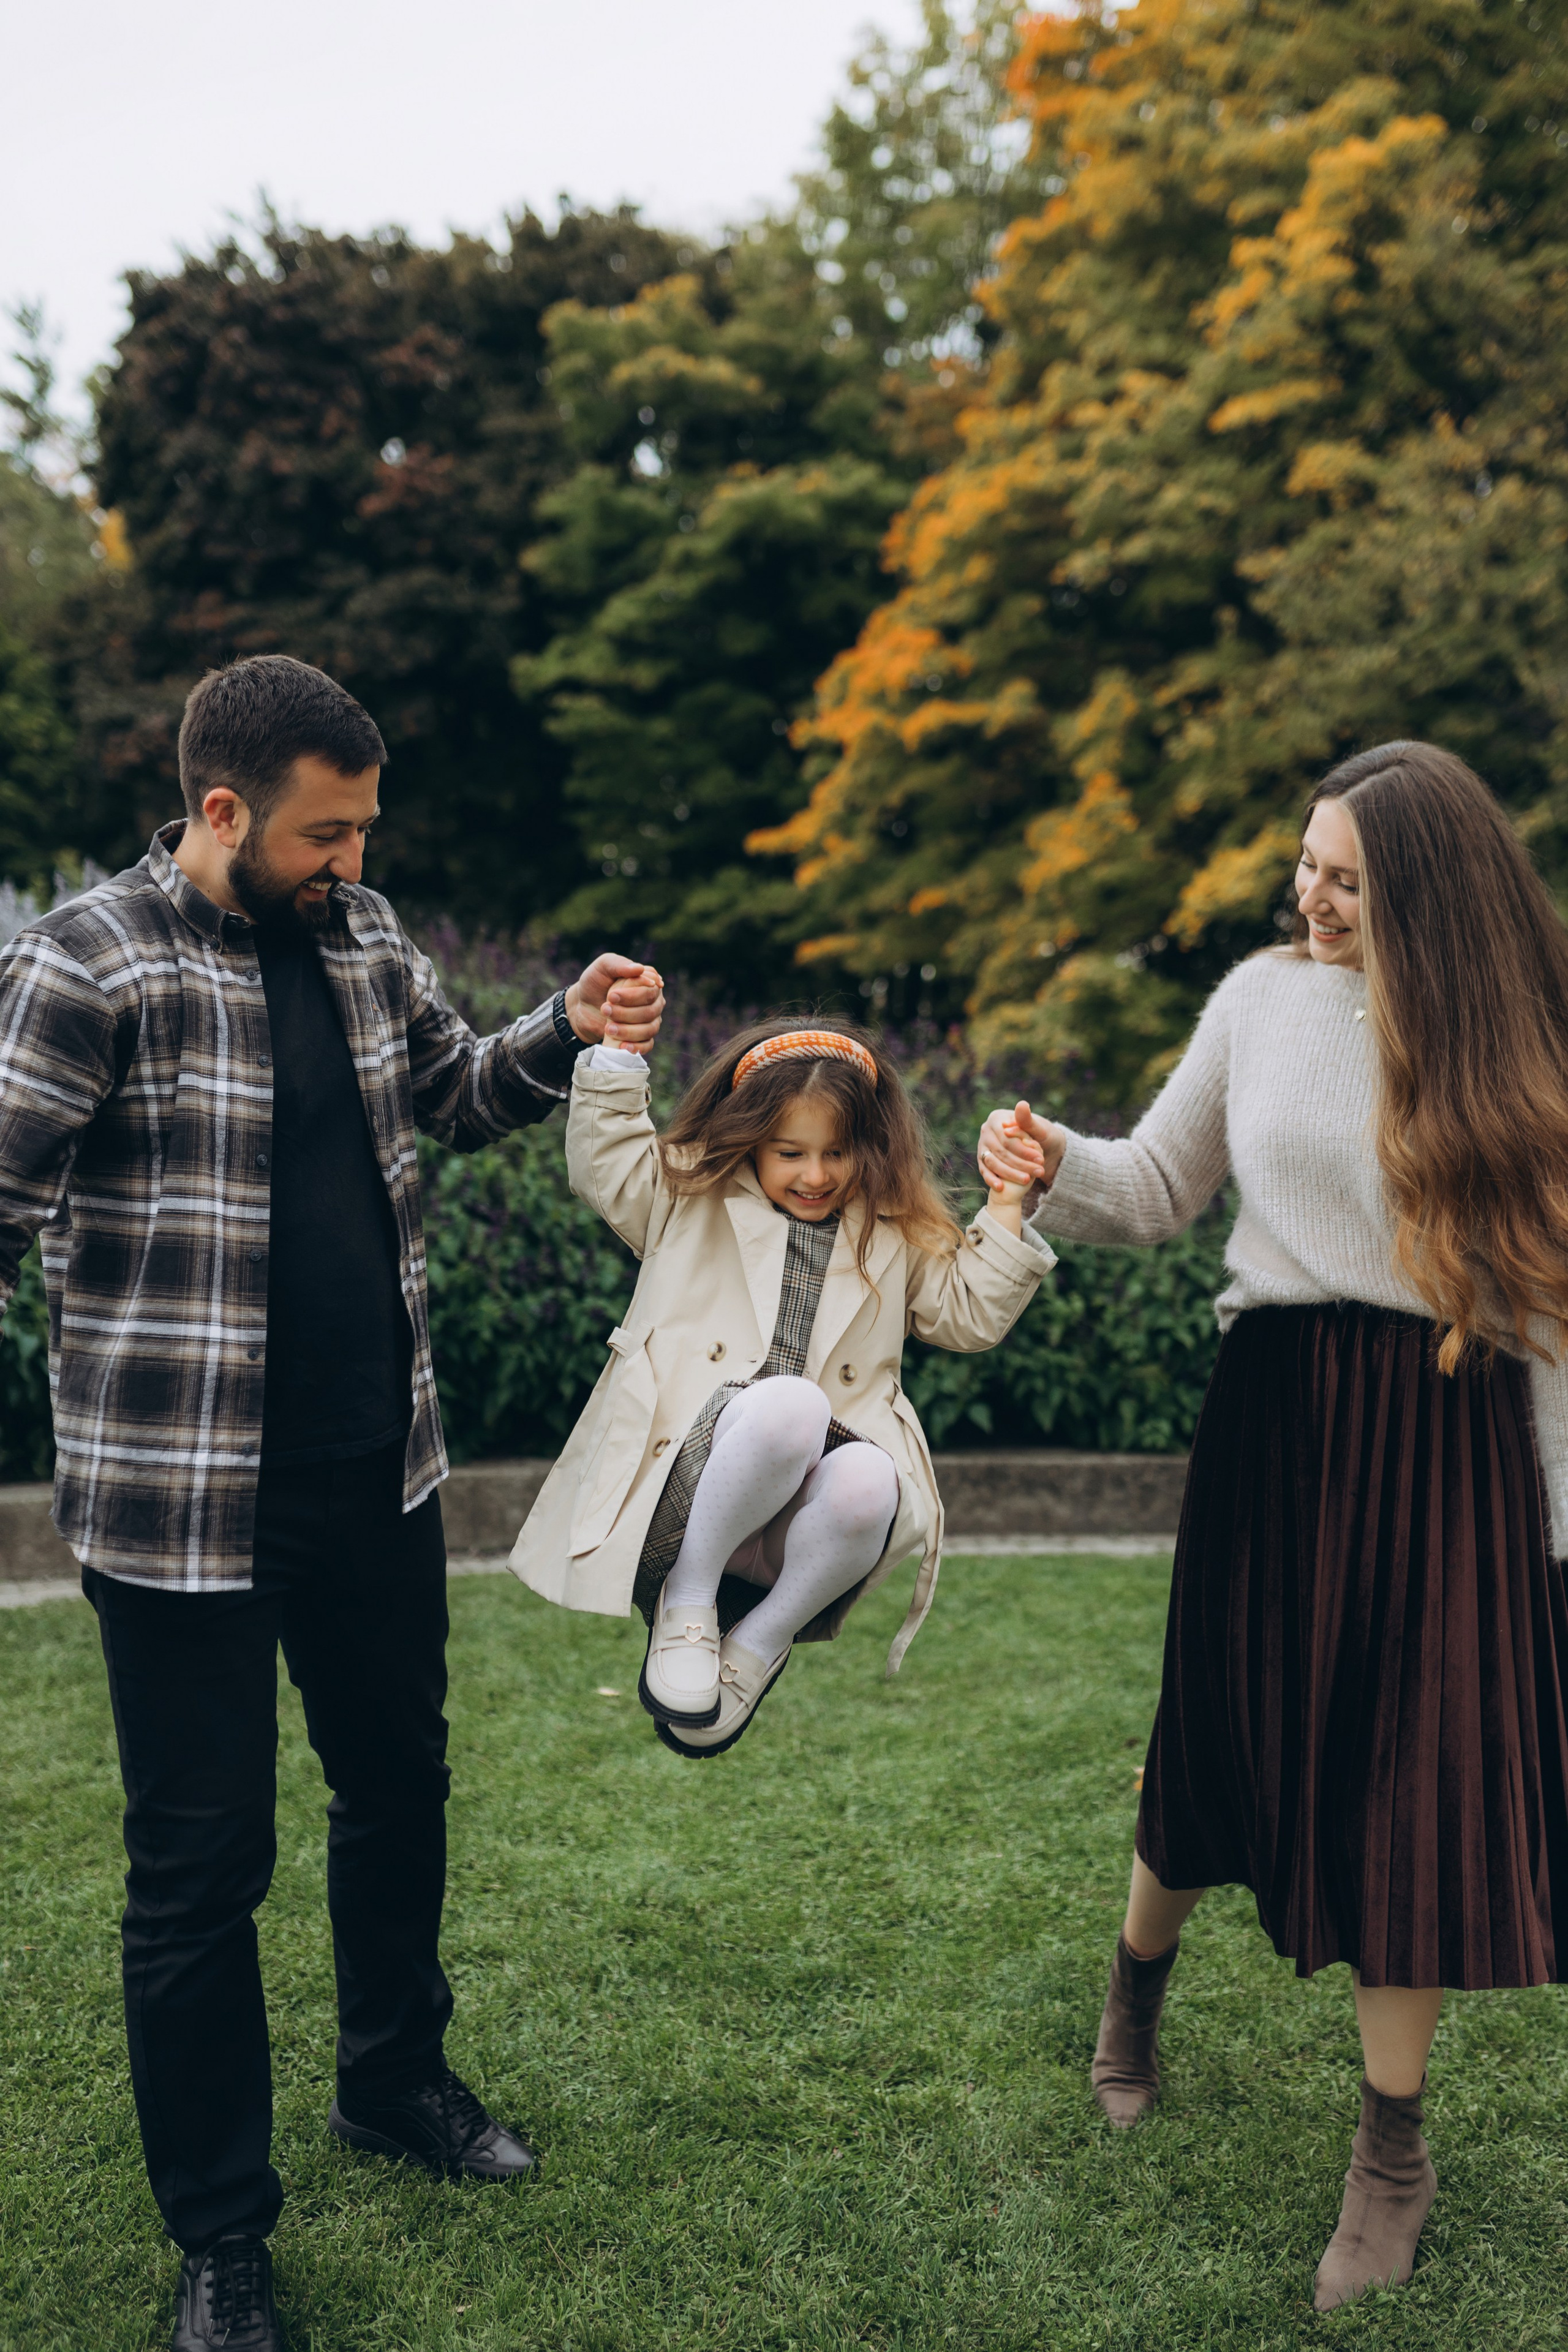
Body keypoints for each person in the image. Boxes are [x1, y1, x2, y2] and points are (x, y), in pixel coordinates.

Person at [0, 655, 663, 2352]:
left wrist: (561, 1033)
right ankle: (222, 2239)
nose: (354, 862)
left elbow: (452, 1092)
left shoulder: (365, 943)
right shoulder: (87, 961)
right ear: (221, 812)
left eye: (365, 829)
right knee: (197, 1869)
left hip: (378, 1471)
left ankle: (394, 2082)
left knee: (399, 1791)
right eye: (325, 832)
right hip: (178, 1503)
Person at [979, 741, 1568, 2311]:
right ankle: (1131, 1996)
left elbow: (1556, 1312)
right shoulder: (1253, 1002)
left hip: (1446, 1431)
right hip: (1274, 1414)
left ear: (1423, 893)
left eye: (1347, 880)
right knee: (1217, 1732)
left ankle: (1390, 2153)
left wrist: (1561, 1532)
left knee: (1412, 1776)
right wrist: (1047, 1170)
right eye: (1303, 864)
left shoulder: (1510, 1041)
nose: (1309, 897)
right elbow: (1157, 1182)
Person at [511, 1021, 1052, 1749]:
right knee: (792, 1405)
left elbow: (967, 1316)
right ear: (750, 1141)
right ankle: (689, 1601)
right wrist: (618, 1052)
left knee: (871, 1476)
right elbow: (606, 1166)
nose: (816, 1175)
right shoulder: (687, 1192)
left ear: (872, 1147)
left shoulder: (893, 1228)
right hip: (690, 1492)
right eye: (789, 1153)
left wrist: (1009, 1201)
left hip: (799, 1532)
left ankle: (758, 1644)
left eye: (838, 1153)